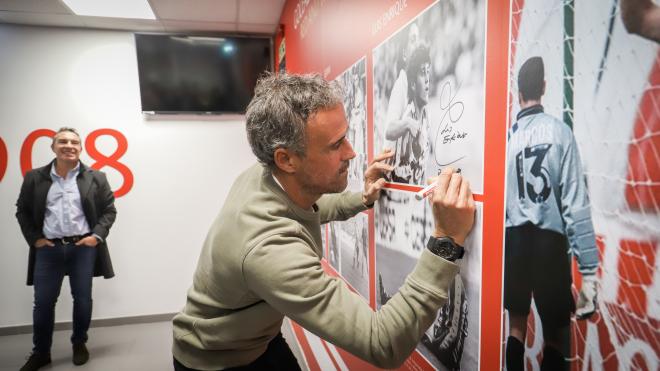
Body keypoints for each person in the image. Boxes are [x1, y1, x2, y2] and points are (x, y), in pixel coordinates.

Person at [172, 73, 476, 370]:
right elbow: (382, 342)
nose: (352, 152)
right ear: (287, 159)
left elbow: (308, 204)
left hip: (257, 339)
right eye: (336, 144)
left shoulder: (269, 175)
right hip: (218, 360)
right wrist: (446, 240)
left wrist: (363, 198)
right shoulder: (268, 250)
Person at [504, 57, 600, 371]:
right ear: (544, 88)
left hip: (515, 241)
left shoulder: (508, 142)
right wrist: (589, 273)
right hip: (549, 243)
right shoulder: (561, 133)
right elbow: (576, 205)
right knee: (557, 337)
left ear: (518, 93)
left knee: (515, 328)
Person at [15, 127, 117, 371]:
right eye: (63, 141)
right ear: (53, 147)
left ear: (80, 148)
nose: (69, 145)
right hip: (48, 250)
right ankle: (41, 352)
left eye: (74, 142)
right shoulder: (34, 177)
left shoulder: (96, 177)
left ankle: (79, 343)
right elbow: (22, 210)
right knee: (43, 303)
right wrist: (35, 239)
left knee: (82, 299)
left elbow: (109, 210)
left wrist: (96, 236)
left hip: (83, 248)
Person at [385, 43, 432, 184]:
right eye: (423, 73)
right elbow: (390, 130)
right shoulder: (408, 118)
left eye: (428, 72)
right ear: (412, 84)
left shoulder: (426, 118)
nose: (427, 78)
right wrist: (407, 124)